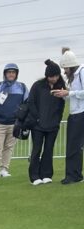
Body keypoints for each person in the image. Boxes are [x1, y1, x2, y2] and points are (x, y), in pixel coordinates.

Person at [0, 63, 28, 181]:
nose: (11, 74)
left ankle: (4, 170)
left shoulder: (22, 87)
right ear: (5, 74)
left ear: (16, 74)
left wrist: (21, 120)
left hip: (14, 124)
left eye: (13, 72)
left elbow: (27, 104)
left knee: (8, 148)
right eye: (9, 72)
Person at [26, 60, 66, 185]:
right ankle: (34, 176)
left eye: (56, 76)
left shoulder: (61, 87)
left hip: (53, 125)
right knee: (36, 150)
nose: (54, 78)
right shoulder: (37, 86)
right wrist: (37, 118)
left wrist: (57, 121)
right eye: (51, 76)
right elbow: (31, 103)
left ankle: (47, 174)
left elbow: (61, 106)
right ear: (46, 76)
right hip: (38, 125)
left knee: (49, 149)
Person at [52, 47, 84, 184]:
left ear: (71, 66)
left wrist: (68, 93)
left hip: (80, 114)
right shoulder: (75, 76)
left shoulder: (82, 72)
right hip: (76, 113)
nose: (64, 71)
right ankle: (75, 175)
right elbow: (75, 95)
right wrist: (63, 94)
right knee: (75, 146)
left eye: (65, 68)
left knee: (73, 146)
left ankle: (73, 176)